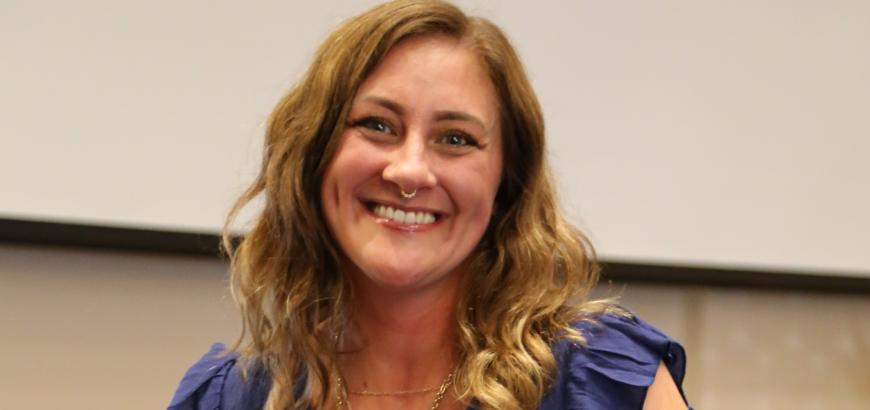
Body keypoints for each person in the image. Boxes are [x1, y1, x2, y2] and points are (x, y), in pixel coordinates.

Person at [168, 1, 691, 409]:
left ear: (505, 182)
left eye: (456, 139)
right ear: (315, 155)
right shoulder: (230, 397)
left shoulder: (601, 384)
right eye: (377, 126)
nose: (410, 171)